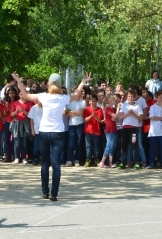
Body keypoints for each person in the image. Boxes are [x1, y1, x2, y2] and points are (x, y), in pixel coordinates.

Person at [13, 71, 88, 201]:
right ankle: (54, 194)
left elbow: (24, 94)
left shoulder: (43, 96)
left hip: (44, 132)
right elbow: (77, 95)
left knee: (45, 163)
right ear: (60, 85)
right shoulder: (63, 97)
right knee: (56, 164)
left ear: (48, 84)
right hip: (58, 132)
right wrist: (82, 82)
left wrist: (18, 80)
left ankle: (45, 192)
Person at [146, 90, 162, 169]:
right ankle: (151, 162)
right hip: (154, 132)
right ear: (156, 98)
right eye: (160, 97)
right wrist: (161, 118)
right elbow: (152, 117)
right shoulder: (153, 107)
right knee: (153, 148)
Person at [65, 86, 86, 167]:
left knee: (79, 142)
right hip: (71, 124)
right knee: (71, 143)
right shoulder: (69, 102)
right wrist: (75, 112)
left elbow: (80, 112)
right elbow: (66, 113)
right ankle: (69, 160)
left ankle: (77, 159)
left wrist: (72, 112)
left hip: (80, 124)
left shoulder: (83, 102)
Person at [98, 93, 119, 168]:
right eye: (113, 99)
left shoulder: (113, 109)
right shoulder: (108, 108)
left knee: (113, 146)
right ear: (110, 100)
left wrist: (115, 117)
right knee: (109, 146)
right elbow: (115, 116)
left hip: (114, 129)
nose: (115, 100)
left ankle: (110, 162)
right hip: (109, 129)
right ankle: (102, 162)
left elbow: (117, 119)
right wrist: (118, 109)